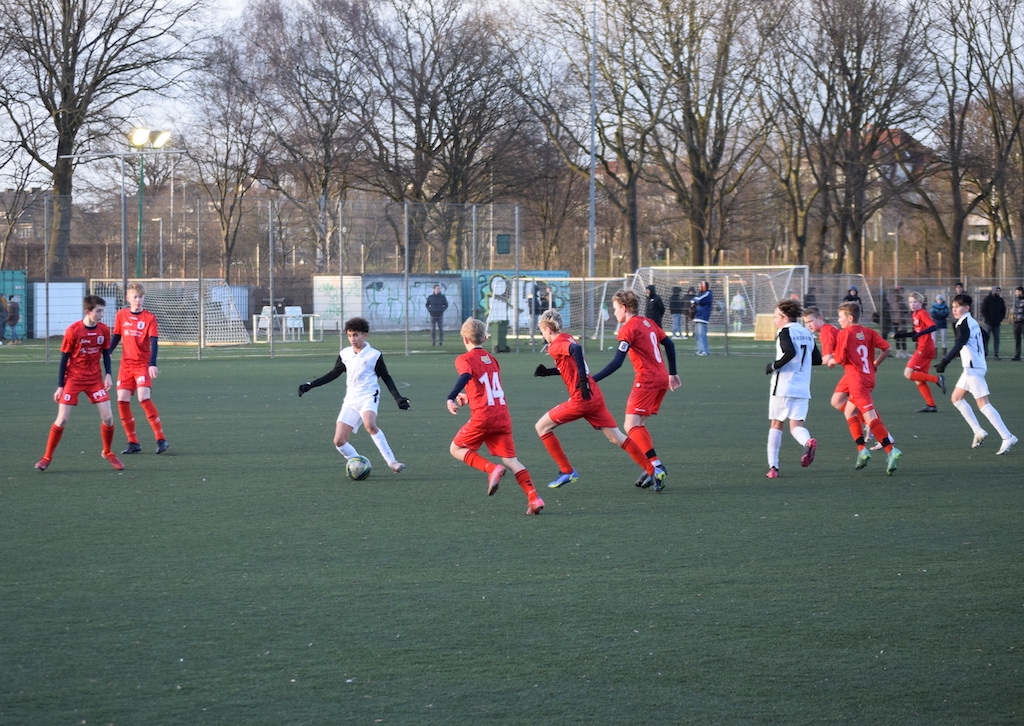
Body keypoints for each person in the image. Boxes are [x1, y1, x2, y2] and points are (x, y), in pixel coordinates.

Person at [532, 309, 654, 489]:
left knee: (541, 427)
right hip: (594, 395)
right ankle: (652, 470)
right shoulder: (568, 337)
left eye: (542, 331)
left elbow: (576, 350)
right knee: (616, 437)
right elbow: (572, 363)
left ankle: (566, 471)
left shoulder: (555, 346)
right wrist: (549, 372)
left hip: (581, 399)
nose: (542, 335)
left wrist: (582, 380)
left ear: (548, 329)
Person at [446, 317, 544, 514]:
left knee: (456, 448)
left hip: (483, 417)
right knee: (511, 460)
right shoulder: (492, 359)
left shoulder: (464, 359)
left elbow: (466, 375)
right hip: (501, 416)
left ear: (465, 339)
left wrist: (451, 397)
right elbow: (489, 389)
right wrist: (469, 398)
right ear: (484, 338)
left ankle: (491, 469)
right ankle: (534, 498)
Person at [592, 289, 681, 491]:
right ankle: (652, 466)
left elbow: (617, 362)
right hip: (661, 378)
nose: (614, 313)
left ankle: (656, 466)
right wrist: (673, 373)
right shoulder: (649, 323)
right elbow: (669, 344)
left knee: (630, 425)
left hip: (647, 380)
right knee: (638, 424)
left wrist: (592, 380)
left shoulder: (628, 329)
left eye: (615, 308)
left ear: (624, 308)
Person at [298, 316, 410, 472]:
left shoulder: (374, 355)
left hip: (368, 396)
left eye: (356, 335)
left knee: (370, 425)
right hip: (350, 400)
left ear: (365, 335)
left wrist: (398, 398)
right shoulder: (345, 354)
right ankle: (358, 462)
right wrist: (311, 385)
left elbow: (386, 377)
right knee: (339, 441)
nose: (352, 339)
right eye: (349, 335)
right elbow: (334, 374)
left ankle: (392, 462)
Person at [34, 295, 124, 472]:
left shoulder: (104, 330)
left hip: (94, 379)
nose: (102, 314)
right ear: (87, 312)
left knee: (108, 418)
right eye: (98, 311)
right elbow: (64, 358)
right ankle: (46, 458)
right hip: (73, 379)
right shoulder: (73, 331)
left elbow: (106, 353)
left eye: (103, 311)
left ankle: (107, 452)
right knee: (62, 419)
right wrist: (60, 386)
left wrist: (108, 375)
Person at [935, 294, 1017, 455]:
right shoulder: (972, 321)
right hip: (972, 367)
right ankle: (978, 431)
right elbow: (985, 336)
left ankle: (1007, 436)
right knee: (956, 398)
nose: (954, 310)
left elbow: (960, 343)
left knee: (983, 404)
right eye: (953, 307)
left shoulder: (963, 322)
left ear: (967, 308)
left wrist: (945, 361)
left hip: (973, 368)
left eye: (957, 307)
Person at [828, 301, 902, 475]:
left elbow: (840, 358)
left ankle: (890, 449)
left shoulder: (845, 333)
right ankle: (862, 450)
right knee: (841, 405)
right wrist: (875, 364)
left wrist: (831, 360)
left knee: (870, 417)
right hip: (863, 376)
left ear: (850, 318)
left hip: (857, 380)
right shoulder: (869, 332)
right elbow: (887, 348)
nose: (839, 320)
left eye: (840, 317)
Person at [765, 299, 821, 479]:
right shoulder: (806, 333)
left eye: (776, 317)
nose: (775, 320)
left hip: (783, 385)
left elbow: (790, 352)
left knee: (776, 424)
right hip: (802, 387)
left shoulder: (785, 331)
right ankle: (808, 441)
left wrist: (773, 366)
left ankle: (773, 467)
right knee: (796, 426)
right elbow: (817, 359)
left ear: (784, 317)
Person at [109, 283, 168, 455]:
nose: (138, 300)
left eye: (141, 297)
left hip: (142, 364)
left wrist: (152, 363)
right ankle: (133, 442)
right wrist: (109, 352)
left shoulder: (149, 317)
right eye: (135, 297)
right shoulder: (121, 315)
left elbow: (154, 342)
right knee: (122, 400)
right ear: (128, 298)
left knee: (143, 397)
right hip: (126, 366)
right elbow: (116, 336)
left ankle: (161, 439)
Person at [893, 292, 946, 412]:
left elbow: (933, 327)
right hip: (924, 347)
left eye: (915, 302)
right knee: (918, 379)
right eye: (911, 302)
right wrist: (901, 335)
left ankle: (938, 379)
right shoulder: (915, 314)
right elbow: (916, 332)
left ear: (921, 303)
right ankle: (931, 405)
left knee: (908, 373)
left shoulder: (922, 313)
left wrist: (919, 334)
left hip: (925, 348)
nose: (912, 304)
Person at [980, 286, 1006, 359]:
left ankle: (996, 353)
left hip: (997, 323)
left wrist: (1000, 318)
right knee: (986, 338)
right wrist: (987, 318)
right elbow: (983, 309)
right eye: (996, 291)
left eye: (999, 291)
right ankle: (985, 353)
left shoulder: (1000, 300)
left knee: (996, 339)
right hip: (988, 323)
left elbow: (1003, 310)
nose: (997, 292)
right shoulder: (987, 299)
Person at [691, 280, 713, 355]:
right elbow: (694, 299)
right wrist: (694, 300)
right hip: (697, 316)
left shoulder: (708, 293)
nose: (699, 287)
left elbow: (700, 300)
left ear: (704, 287)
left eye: (700, 286)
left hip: (702, 317)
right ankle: (700, 350)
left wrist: (694, 300)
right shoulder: (700, 294)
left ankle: (705, 351)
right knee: (697, 335)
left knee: (702, 335)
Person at [1011, 287, 1024, 361]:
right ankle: (1017, 355)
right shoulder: (1017, 300)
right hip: (1016, 323)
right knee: (1017, 340)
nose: (1015, 293)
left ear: (1020, 292)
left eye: (1016, 292)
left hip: (1023, 323)